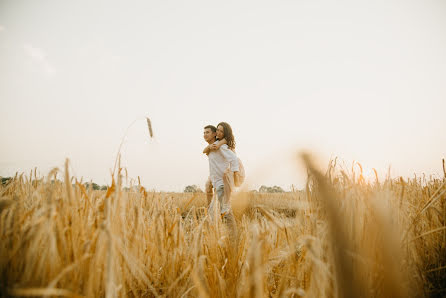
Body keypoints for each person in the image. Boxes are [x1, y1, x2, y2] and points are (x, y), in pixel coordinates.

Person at [202, 122, 244, 219]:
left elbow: (233, 159)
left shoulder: (221, 146)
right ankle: (231, 233)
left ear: (214, 134)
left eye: (207, 132)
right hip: (218, 184)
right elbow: (204, 151)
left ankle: (229, 232)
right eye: (218, 130)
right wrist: (208, 147)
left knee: (218, 213)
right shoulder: (212, 147)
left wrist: (236, 174)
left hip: (222, 183)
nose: (205, 135)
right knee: (225, 212)